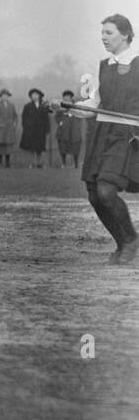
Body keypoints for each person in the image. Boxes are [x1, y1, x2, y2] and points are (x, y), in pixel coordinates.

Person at [68, 14, 139, 263]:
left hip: (127, 135)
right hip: (102, 133)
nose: (103, 37)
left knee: (107, 190)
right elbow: (95, 103)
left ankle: (131, 239)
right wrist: (69, 107)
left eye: (109, 33)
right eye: (102, 33)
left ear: (126, 34)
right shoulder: (103, 66)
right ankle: (123, 245)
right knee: (94, 194)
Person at [20, 88, 50, 168]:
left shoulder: (44, 106)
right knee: (31, 148)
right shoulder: (27, 106)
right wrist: (26, 128)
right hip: (31, 130)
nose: (35, 96)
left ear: (39, 96)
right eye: (33, 95)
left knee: (40, 148)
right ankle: (32, 163)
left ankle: (39, 163)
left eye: (36, 95)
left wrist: (47, 129)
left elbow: (46, 118)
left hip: (41, 130)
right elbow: (24, 118)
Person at [55, 90, 83, 169]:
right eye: (65, 97)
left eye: (68, 97)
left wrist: (76, 122)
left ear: (71, 98)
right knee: (62, 146)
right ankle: (63, 163)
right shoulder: (60, 107)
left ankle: (76, 164)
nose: (66, 98)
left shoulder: (76, 106)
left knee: (75, 147)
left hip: (74, 131)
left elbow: (80, 116)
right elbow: (57, 117)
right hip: (64, 130)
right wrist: (61, 122)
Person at [0, 88, 18, 168]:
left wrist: (14, 125)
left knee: (8, 147)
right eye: (3, 96)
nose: (5, 97)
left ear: (8, 96)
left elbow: (15, 116)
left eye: (6, 96)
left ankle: (8, 163)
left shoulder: (11, 105)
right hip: (0, 129)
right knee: (0, 146)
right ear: (1, 96)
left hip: (9, 130)